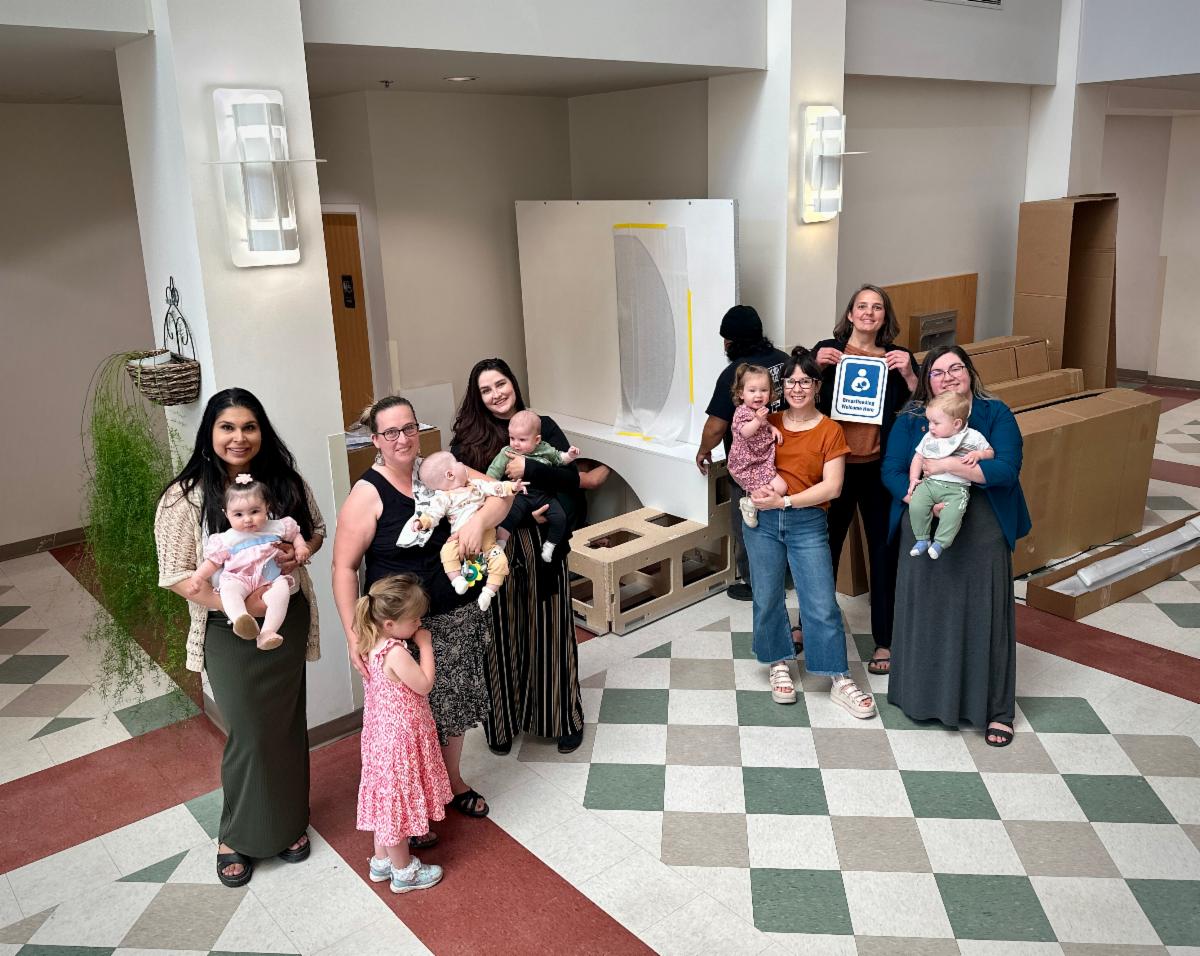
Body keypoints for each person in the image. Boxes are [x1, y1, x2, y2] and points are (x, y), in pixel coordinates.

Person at [154, 388, 323, 887]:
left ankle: (289, 823)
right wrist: (240, 606)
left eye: (249, 426)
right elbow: (175, 575)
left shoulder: (284, 483)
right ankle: (235, 835)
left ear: (261, 431)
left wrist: (300, 553)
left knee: (286, 724)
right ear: (209, 433)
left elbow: (314, 530)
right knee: (249, 731)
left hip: (285, 620)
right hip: (226, 627)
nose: (239, 437)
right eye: (227, 427)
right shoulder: (184, 497)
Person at [333, 395, 503, 824]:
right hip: (398, 628)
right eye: (391, 432)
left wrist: (478, 522)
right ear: (376, 440)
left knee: (455, 703)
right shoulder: (367, 494)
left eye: (409, 428)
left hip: (455, 610)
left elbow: (501, 497)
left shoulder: (439, 470)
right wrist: (353, 635)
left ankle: (453, 782)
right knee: (410, 721)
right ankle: (417, 807)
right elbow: (344, 568)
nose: (403, 439)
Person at [881, 346, 1031, 747]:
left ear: (970, 372)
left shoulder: (994, 413)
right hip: (926, 519)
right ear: (926, 379)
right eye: (937, 371)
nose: (947, 377)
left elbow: (1006, 469)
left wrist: (949, 466)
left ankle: (995, 710)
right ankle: (920, 696)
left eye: (956, 368)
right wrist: (918, 498)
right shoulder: (913, 418)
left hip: (982, 523)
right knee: (926, 610)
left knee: (983, 614)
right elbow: (892, 469)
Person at [452, 358, 585, 754]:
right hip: (497, 544)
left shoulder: (543, 426)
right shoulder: (467, 441)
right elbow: (464, 496)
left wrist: (530, 468)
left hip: (544, 543)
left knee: (550, 629)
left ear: (513, 383)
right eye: (486, 389)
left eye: (501, 384)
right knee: (500, 635)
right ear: (477, 397)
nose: (496, 394)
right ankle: (503, 724)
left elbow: (572, 478)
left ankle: (562, 717)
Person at [741, 348, 877, 719]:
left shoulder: (830, 430)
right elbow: (743, 458)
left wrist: (784, 502)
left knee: (820, 602)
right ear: (781, 386)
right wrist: (757, 494)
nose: (797, 388)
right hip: (762, 524)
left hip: (807, 522)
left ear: (817, 386)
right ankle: (778, 663)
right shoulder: (766, 420)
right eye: (790, 381)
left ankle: (839, 678)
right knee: (767, 597)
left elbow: (833, 487)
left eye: (805, 381)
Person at [813, 284, 919, 676]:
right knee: (822, 549)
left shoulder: (898, 358)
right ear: (850, 313)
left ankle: (885, 639)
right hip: (834, 468)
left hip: (879, 469)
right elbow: (796, 394)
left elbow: (923, 408)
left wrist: (910, 375)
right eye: (862, 306)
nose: (869, 313)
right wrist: (814, 366)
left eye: (877, 307)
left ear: (884, 316)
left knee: (884, 553)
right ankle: (811, 625)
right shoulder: (828, 350)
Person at [354, 574, 452, 894]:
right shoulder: (395, 652)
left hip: (380, 737)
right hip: (401, 741)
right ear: (390, 624)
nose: (419, 623)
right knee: (396, 806)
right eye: (414, 620)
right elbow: (424, 685)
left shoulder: (369, 643)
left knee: (385, 799)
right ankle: (403, 871)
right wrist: (425, 645)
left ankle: (382, 860)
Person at [696, 305, 790, 602]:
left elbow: (715, 426)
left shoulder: (736, 374)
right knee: (783, 513)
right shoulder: (785, 361)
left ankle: (754, 582)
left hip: (750, 464)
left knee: (749, 521)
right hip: (786, 455)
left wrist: (703, 450)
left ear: (730, 342)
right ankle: (786, 575)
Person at [186, 475, 311, 651]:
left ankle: (268, 632)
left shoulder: (276, 526)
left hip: (270, 578)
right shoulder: (226, 539)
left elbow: (295, 534)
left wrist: (301, 547)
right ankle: (241, 619)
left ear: (267, 507)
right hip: (239, 578)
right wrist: (198, 577)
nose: (247, 519)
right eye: (238, 514)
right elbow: (213, 562)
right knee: (229, 591)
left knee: (281, 593)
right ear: (226, 513)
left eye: (254, 511)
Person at [400, 451, 524, 611]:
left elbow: (495, 487)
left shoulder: (475, 485)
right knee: (447, 552)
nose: (463, 465)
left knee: (499, 560)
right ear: (450, 474)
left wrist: (512, 487)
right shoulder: (444, 497)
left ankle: (488, 592)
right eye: (458, 462)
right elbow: (433, 514)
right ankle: (457, 580)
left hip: (486, 536)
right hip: (459, 539)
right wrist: (422, 522)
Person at [905, 391, 994, 559]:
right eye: (929, 421)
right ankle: (922, 539)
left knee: (953, 514)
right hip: (929, 483)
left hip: (956, 489)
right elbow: (918, 457)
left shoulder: (973, 437)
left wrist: (979, 454)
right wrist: (913, 479)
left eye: (936, 423)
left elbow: (990, 452)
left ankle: (940, 542)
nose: (930, 427)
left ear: (956, 423)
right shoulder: (929, 437)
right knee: (916, 504)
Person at [486, 409, 580, 562]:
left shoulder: (545, 449)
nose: (516, 444)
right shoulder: (507, 452)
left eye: (522, 440)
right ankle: (500, 544)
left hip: (544, 495)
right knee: (510, 516)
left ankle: (550, 545)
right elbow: (493, 472)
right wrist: (490, 488)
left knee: (560, 517)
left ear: (537, 440)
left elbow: (559, 459)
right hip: (520, 494)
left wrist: (570, 455)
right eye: (512, 438)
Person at [725, 364, 787, 529]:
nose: (758, 395)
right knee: (774, 489)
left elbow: (764, 424)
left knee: (781, 488)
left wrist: (772, 428)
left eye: (764, 390)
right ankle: (751, 503)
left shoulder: (759, 411)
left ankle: (751, 502)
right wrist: (757, 420)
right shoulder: (742, 412)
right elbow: (745, 432)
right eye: (752, 390)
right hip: (746, 464)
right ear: (741, 393)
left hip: (761, 460)